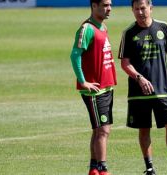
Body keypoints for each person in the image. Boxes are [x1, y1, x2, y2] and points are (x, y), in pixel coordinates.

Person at [118, 0, 167, 174]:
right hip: (138, 93)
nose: (140, 12)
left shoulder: (163, 27)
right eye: (136, 9)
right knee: (144, 129)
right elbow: (125, 63)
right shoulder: (128, 33)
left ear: (151, 8)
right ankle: (149, 168)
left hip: (163, 90)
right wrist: (139, 78)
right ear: (132, 10)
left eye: (143, 8)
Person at [70, 0, 116, 175]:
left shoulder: (102, 27)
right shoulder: (87, 29)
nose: (109, 8)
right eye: (105, 5)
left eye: (110, 4)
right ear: (94, 6)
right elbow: (75, 55)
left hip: (105, 86)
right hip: (94, 89)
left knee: (98, 130)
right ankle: (103, 169)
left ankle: (94, 169)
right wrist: (83, 81)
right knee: (103, 130)